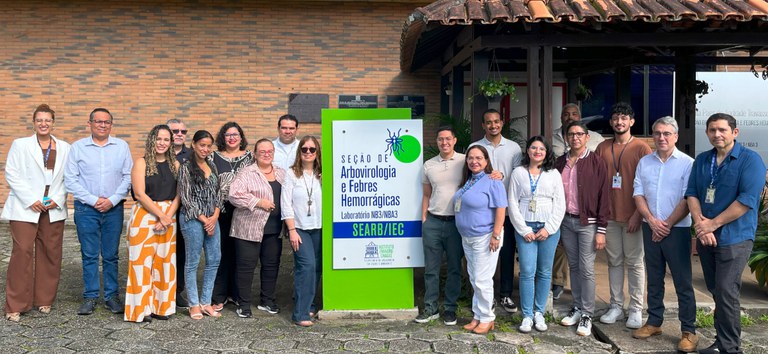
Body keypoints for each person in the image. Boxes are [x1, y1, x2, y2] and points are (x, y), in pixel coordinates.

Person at [686, 113, 767, 354]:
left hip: (735, 237)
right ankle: (721, 342)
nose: (717, 134)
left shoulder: (750, 160)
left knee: (725, 290)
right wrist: (702, 226)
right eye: (712, 130)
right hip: (706, 237)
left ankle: (731, 348)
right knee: (716, 290)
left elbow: (746, 201)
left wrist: (712, 225)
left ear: (735, 132)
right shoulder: (702, 160)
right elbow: (692, 194)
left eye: (722, 130)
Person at [631, 117, 698, 352]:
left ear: (676, 136)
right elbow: (638, 193)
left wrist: (666, 224)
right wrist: (651, 220)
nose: (662, 137)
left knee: (682, 281)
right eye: (658, 133)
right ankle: (654, 321)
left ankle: (689, 330)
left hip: (677, 230)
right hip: (651, 227)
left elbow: (688, 198)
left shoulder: (688, 164)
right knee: (654, 277)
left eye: (667, 133)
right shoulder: (644, 162)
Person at [2, 104, 71, 322]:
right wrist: (31, 199)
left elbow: (68, 177)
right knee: (22, 253)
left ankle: (44, 299)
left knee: (50, 253)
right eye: (39, 120)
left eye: (47, 120)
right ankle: (16, 304)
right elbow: (11, 173)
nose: (43, 124)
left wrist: (57, 199)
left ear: (53, 123)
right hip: (25, 206)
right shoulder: (20, 145)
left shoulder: (65, 147)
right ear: (33, 122)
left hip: (52, 206)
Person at [65, 108, 133, 316]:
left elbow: (128, 177)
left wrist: (112, 200)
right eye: (98, 122)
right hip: (86, 209)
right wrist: (94, 200)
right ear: (90, 124)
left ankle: (112, 296)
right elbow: (71, 180)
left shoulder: (121, 147)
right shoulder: (78, 148)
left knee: (112, 255)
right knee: (89, 255)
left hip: (113, 209)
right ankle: (90, 296)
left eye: (106, 122)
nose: (102, 125)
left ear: (111, 125)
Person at [595, 102, 651, 329]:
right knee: (614, 262)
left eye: (624, 118)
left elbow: (649, 185)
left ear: (632, 121)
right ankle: (616, 306)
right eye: (616, 118)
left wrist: (639, 213)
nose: (620, 122)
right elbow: (597, 182)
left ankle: (636, 308)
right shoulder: (602, 147)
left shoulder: (641, 148)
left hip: (632, 216)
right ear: (611, 122)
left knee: (635, 262)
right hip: (609, 216)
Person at [556, 121, 610, 337]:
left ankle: (587, 312)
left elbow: (604, 196)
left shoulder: (597, 162)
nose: (575, 137)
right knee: (575, 266)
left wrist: (602, 230)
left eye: (580, 134)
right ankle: (577, 307)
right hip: (566, 222)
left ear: (587, 137)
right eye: (571, 134)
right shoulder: (560, 162)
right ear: (566, 138)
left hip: (588, 222)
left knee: (587, 268)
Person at [507, 136, 565, 333]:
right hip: (526, 227)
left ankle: (539, 312)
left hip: (548, 228)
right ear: (528, 151)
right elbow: (512, 202)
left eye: (541, 148)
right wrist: (523, 230)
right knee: (527, 271)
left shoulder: (554, 173)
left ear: (546, 152)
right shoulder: (518, 173)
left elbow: (560, 203)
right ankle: (527, 315)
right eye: (533, 147)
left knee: (545, 271)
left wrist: (549, 228)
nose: (537, 151)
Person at [124, 125, 181, 323]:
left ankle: (162, 307)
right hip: (145, 216)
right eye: (158, 139)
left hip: (169, 216)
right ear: (151, 140)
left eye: (166, 139)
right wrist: (161, 216)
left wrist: (167, 216)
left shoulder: (176, 165)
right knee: (141, 264)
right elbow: (139, 194)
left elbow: (180, 195)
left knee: (165, 264)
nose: (162, 143)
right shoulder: (141, 163)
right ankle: (140, 310)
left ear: (170, 143)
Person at [469, 108, 522, 313]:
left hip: (505, 210)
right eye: (489, 122)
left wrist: (502, 176)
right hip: (482, 212)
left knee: (506, 253)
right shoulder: (476, 147)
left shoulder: (514, 148)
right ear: (483, 125)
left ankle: (506, 294)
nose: (493, 125)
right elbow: (470, 174)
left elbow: (517, 177)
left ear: (502, 123)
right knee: (483, 256)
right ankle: (485, 296)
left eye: (496, 122)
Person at [550, 103, 604, 300]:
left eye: (574, 114)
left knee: (586, 266)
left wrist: (601, 228)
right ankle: (567, 293)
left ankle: (586, 308)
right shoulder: (554, 142)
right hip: (563, 214)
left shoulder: (596, 144)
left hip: (586, 216)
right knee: (571, 260)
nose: (570, 117)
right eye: (566, 114)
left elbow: (601, 188)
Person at [453, 145, 508, 335]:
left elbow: (501, 209)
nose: (474, 161)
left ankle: (487, 318)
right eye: (470, 158)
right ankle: (477, 315)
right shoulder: (469, 181)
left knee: (482, 279)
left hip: (486, 237)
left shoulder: (493, 181)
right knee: (475, 277)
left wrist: (496, 235)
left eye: (478, 158)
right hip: (468, 237)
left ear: (486, 161)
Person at [414, 127, 465, 326]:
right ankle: (431, 308)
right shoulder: (429, 165)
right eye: (440, 139)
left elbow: (481, 174)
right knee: (431, 269)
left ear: (454, 140)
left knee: (454, 268)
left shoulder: (464, 160)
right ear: (437, 141)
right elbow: (426, 194)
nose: (444, 142)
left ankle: (450, 309)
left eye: (448, 139)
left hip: (456, 223)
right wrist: (424, 219)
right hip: (433, 222)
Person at [229, 139, 286, 318]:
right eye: (262, 151)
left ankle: (267, 301)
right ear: (255, 154)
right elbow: (234, 195)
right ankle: (243, 304)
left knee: (271, 266)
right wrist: (258, 202)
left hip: (274, 229)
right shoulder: (246, 173)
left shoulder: (282, 173)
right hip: (248, 228)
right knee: (246, 267)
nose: (266, 154)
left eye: (269, 151)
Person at [177, 130, 222, 320]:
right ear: (194, 145)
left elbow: (219, 194)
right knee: (193, 261)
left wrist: (214, 218)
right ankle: (193, 304)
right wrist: (205, 220)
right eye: (202, 145)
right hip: (192, 219)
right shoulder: (185, 168)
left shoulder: (212, 165)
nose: (205, 149)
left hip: (212, 219)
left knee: (214, 259)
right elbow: (186, 199)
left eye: (208, 145)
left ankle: (205, 302)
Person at [210, 122, 254, 312]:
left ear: (241, 136)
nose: (232, 138)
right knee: (221, 252)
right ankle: (219, 295)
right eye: (228, 135)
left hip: (243, 210)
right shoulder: (213, 157)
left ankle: (236, 294)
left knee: (239, 252)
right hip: (221, 210)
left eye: (235, 134)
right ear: (223, 137)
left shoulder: (250, 157)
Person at [282, 136, 323, 327]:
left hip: (320, 228)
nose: (308, 152)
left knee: (316, 269)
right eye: (304, 149)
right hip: (299, 229)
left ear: (317, 153)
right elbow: (286, 204)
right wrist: (291, 230)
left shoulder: (322, 174)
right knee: (305, 267)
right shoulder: (291, 174)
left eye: (312, 150)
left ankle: (310, 304)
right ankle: (300, 314)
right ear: (299, 152)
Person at [166, 118, 191, 308]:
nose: (180, 134)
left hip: (183, 212)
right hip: (160, 210)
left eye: (183, 131)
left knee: (181, 254)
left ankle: (177, 291)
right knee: (161, 252)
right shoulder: (156, 153)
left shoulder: (191, 156)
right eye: (175, 131)